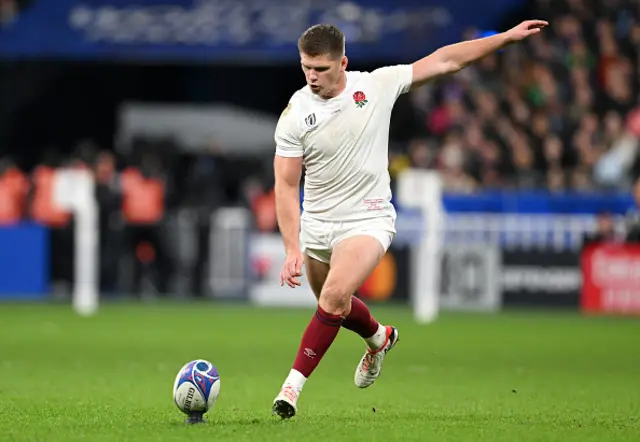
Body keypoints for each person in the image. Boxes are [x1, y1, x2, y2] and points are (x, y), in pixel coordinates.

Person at [272, 20, 548, 419]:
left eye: (322, 69)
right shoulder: (296, 113)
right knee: (335, 304)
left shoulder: (377, 86)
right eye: (306, 68)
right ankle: (379, 338)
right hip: (318, 224)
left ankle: (290, 389)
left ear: (343, 63)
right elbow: (284, 183)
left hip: (367, 220)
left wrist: (502, 39)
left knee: (332, 298)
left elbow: (446, 60)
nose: (312, 77)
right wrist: (292, 247)